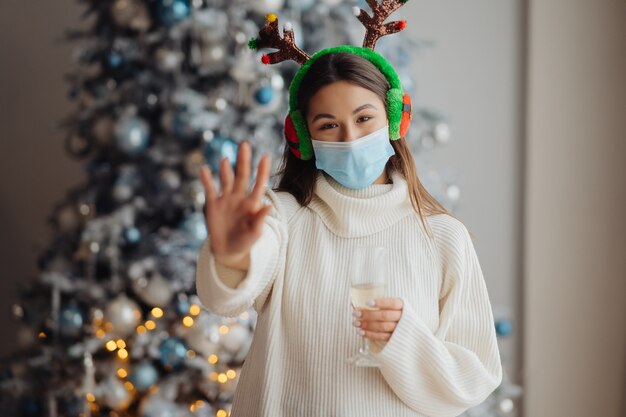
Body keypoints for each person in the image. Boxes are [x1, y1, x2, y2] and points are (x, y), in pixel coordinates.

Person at [196, 8, 502, 417]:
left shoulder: (444, 238)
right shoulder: (281, 219)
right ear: (303, 137)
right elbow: (224, 298)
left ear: (395, 118)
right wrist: (232, 256)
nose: (351, 138)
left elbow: (474, 376)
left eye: (363, 119)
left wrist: (404, 341)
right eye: (328, 125)